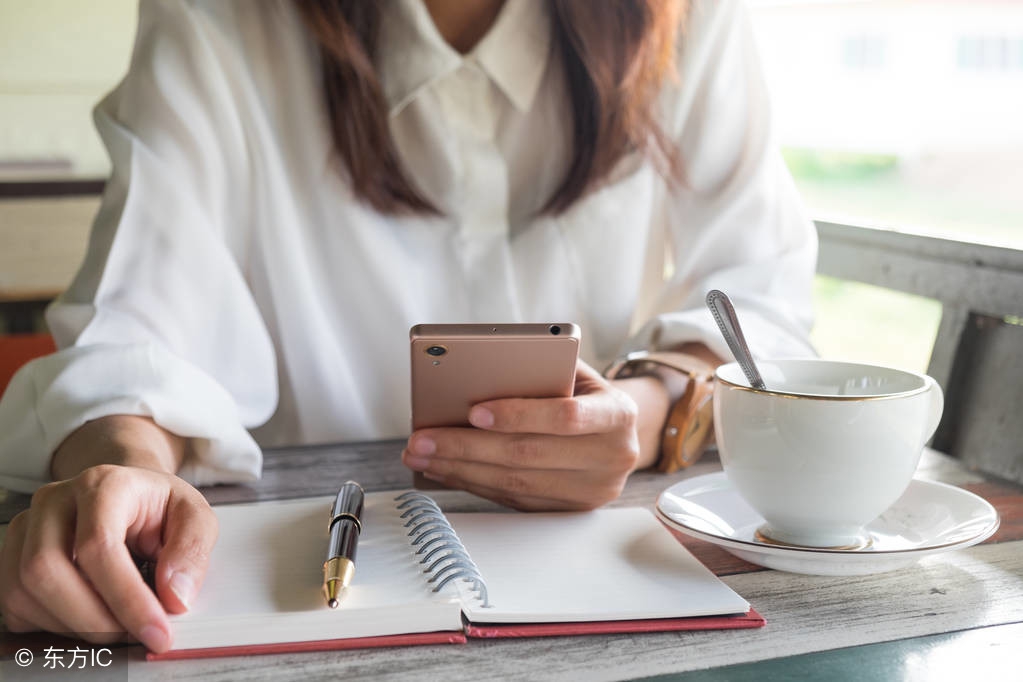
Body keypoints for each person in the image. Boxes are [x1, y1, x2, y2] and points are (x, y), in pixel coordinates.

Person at [0, 0, 816, 654]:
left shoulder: (686, 18)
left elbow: (762, 296)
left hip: (611, 581)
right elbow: (134, 335)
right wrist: (123, 468)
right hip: (313, 606)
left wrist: (634, 418)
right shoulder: (211, 20)